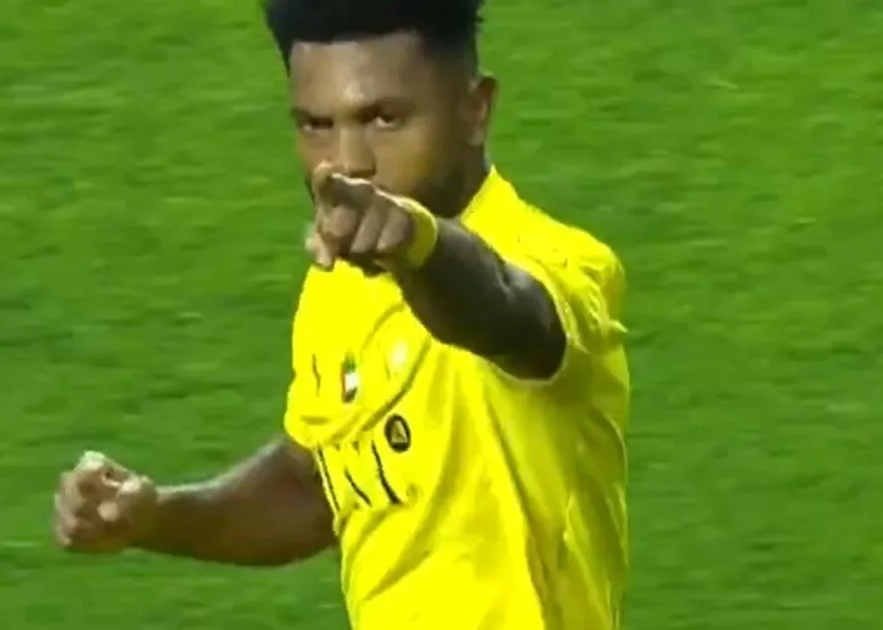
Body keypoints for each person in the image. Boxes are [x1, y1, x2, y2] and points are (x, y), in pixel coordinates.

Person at [51, 0, 631, 628]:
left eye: (383, 118)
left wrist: (418, 242)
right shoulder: (337, 286)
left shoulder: (560, 263)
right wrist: (154, 517)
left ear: (476, 109)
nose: (348, 161)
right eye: (316, 126)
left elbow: (504, 313)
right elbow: (313, 485)